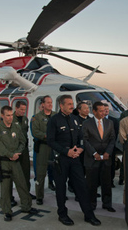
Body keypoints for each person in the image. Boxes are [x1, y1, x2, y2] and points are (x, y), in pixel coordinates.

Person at [47, 95, 101, 226]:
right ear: (61, 105)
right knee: (61, 188)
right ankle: (62, 214)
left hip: (75, 159)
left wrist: (81, 148)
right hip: (61, 159)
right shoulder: (54, 120)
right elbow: (50, 141)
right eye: (69, 104)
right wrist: (66, 151)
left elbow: (81, 137)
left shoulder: (75, 119)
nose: (72, 106)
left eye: (72, 104)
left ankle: (89, 215)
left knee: (82, 186)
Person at [0, 105, 37, 221]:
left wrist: (18, 152)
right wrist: (10, 155)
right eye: (8, 115)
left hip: (16, 160)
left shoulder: (16, 127)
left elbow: (23, 141)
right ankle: (7, 211)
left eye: (11, 115)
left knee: (22, 183)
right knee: (6, 188)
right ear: (2, 116)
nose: (10, 118)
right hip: (5, 163)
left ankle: (26, 206)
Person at [83, 102, 116, 212]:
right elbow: (85, 140)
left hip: (106, 159)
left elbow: (112, 139)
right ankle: (92, 204)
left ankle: (107, 204)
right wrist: (94, 153)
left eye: (104, 110)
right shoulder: (86, 123)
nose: (103, 113)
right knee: (91, 184)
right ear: (94, 111)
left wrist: (108, 152)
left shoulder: (109, 123)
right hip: (92, 159)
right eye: (100, 111)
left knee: (106, 183)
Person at [31, 95, 57, 205]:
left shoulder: (56, 116)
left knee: (57, 171)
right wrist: (47, 136)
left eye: (51, 102)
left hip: (55, 147)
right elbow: (35, 132)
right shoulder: (36, 117)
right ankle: (39, 196)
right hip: (43, 147)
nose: (50, 104)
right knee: (40, 173)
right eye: (48, 103)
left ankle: (60, 194)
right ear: (42, 104)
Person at [13, 101, 36, 202]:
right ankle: (10, 197)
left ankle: (26, 192)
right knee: (13, 173)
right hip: (14, 149)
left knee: (26, 172)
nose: (23, 111)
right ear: (16, 108)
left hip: (24, 150)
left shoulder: (25, 119)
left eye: (24, 109)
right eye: (21, 109)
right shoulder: (11, 119)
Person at [104, 103, 120, 188]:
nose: (106, 110)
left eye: (107, 109)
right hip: (100, 147)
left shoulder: (114, 121)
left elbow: (116, 133)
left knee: (111, 164)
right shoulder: (97, 120)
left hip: (111, 146)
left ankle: (111, 181)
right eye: (104, 109)